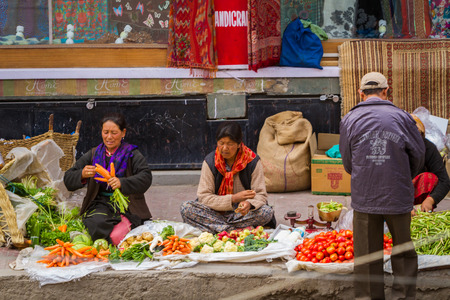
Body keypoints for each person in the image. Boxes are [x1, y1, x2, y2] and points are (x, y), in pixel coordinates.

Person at [339, 72, 425, 299]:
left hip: (365, 196)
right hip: (397, 194)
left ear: (360, 93)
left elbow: (347, 162)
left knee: (366, 255)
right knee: (404, 252)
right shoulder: (403, 118)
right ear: (386, 91)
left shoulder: (349, 119)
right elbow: (418, 155)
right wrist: (402, 176)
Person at [64, 113, 152, 245]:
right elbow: (68, 178)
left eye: (114, 133)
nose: (109, 137)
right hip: (101, 203)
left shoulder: (132, 153)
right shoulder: (94, 153)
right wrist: (82, 174)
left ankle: (122, 232)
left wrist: (122, 183)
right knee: (95, 222)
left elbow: (146, 177)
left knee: (117, 235)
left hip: (127, 205)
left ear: (123, 133)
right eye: (105, 132)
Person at [180, 121, 275, 233]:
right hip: (215, 212)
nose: (225, 148)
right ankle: (235, 230)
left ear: (239, 144)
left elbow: (261, 195)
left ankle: (218, 228)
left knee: (266, 212)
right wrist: (233, 198)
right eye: (221, 143)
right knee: (186, 208)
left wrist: (249, 204)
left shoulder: (252, 161)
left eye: (230, 144)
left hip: (241, 215)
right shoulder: (210, 162)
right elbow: (204, 197)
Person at [410, 114, 450, 214]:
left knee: (428, 178)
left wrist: (431, 200)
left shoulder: (428, 148)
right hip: (397, 194)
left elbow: (444, 180)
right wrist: (404, 204)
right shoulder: (395, 149)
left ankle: (422, 209)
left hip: (416, 193)